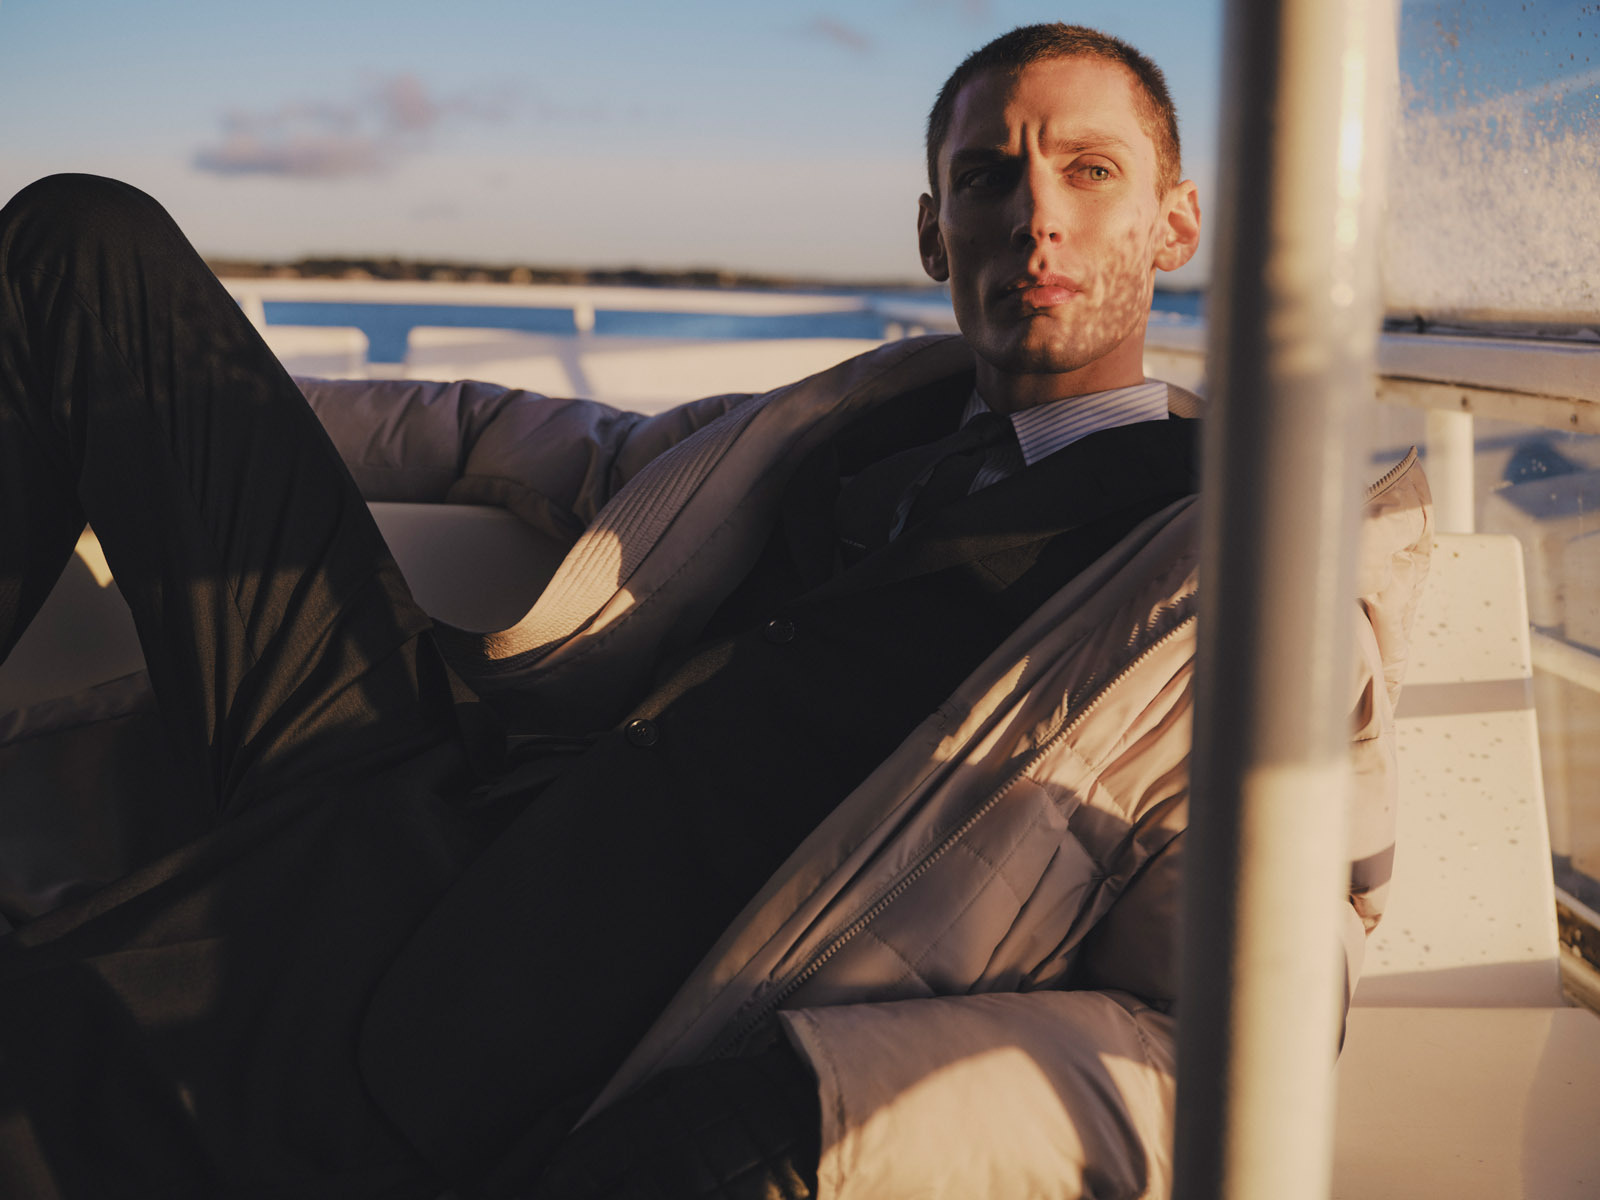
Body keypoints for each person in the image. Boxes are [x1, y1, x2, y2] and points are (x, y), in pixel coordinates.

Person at [0, 22, 1429, 1200]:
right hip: (432, 770)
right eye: (988, 175)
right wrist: (175, 407)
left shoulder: (1241, 571)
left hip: (555, 1015)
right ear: (936, 234)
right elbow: (502, 435)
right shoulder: (846, 429)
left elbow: (1231, 1050)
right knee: (80, 247)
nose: (1035, 212)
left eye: (1090, 169)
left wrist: (809, 1120)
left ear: (1176, 220)